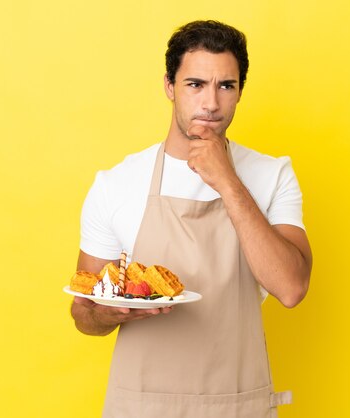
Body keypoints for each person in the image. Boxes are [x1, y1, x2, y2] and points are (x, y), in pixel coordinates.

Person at [70, 20, 312, 417]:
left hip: (236, 404)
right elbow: (83, 314)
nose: (211, 103)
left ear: (239, 92)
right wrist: (106, 311)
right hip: (141, 407)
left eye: (226, 86)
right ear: (169, 86)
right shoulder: (116, 184)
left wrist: (228, 181)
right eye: (195, 84)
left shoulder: (272, 175)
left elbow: (291, 288)